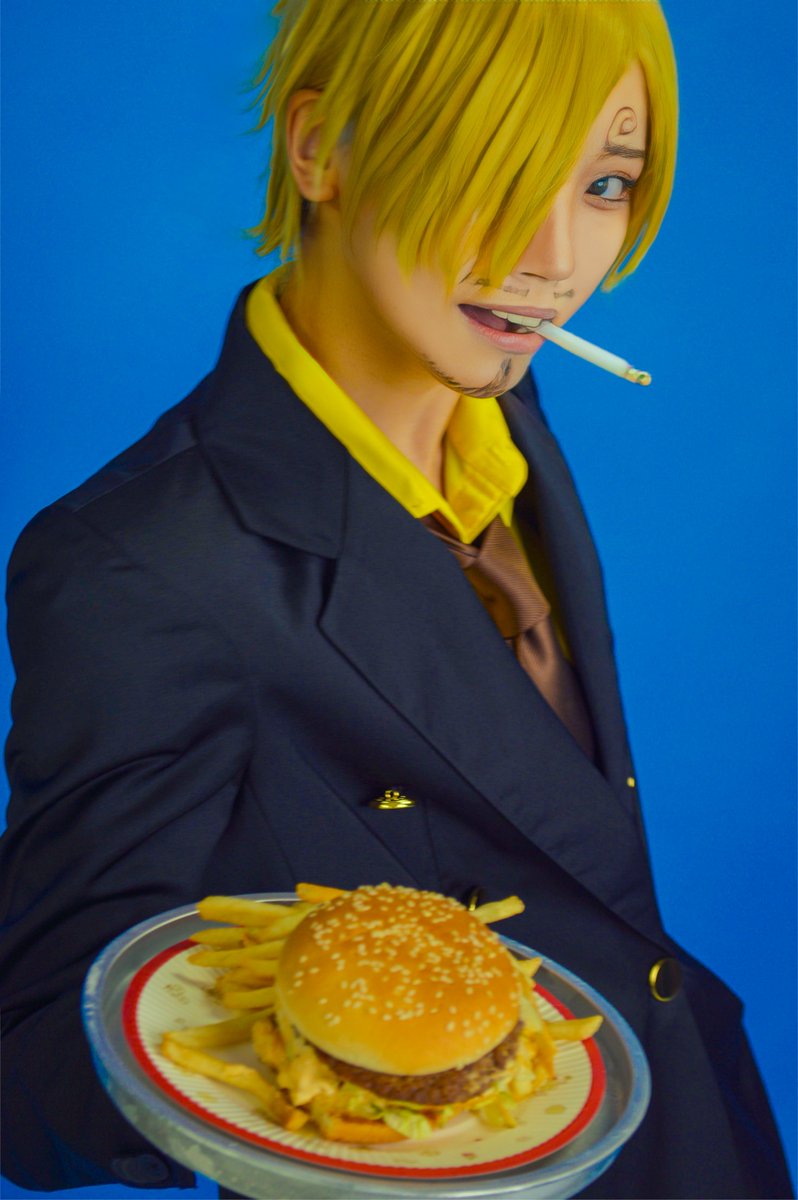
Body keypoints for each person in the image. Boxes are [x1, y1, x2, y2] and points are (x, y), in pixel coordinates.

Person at [0, 1, 791, 1197]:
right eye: (493, 167)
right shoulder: (138, 564)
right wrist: (303, 1040)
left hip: (694, 1125)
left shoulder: (499, 397)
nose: (556, 260)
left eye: (603, 183)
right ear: (320, 149)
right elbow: (36, 1072)